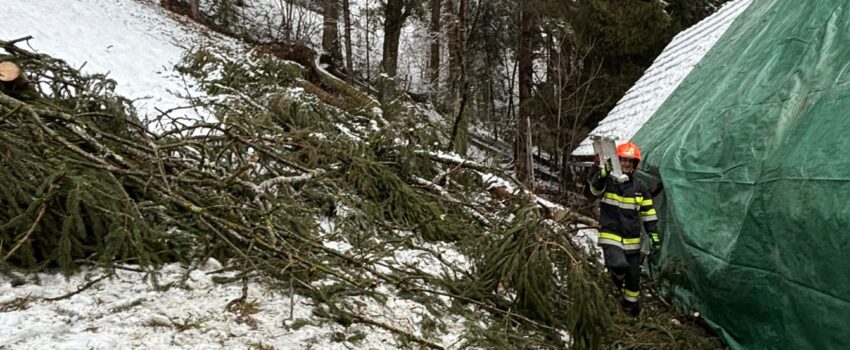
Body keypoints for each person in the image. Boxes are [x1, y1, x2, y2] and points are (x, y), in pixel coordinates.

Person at [587, 141, 660, 316]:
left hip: (632, 241)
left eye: (630, 161)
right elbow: (592, 192)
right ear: (617, 160)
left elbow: (648, 212)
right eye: (623, 160)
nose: (626, 164)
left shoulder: (640, 187)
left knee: (633, 279)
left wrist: (654, 234)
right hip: (611, 235)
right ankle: (612, 289)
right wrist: (601, 174)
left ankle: (629, 309)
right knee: (618, 265)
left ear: (635, 164)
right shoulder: (608, 181)